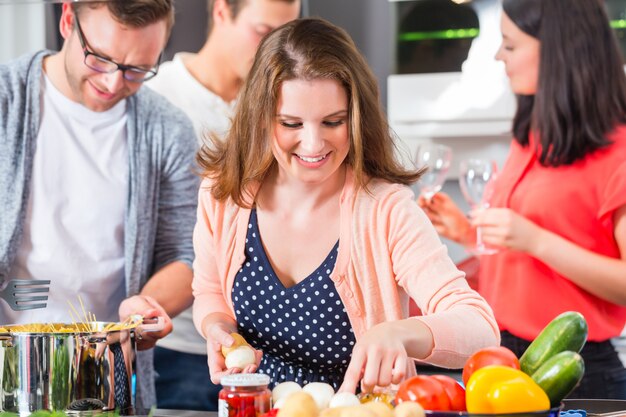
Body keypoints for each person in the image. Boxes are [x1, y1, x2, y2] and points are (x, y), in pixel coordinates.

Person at [191, 17, 499, 393]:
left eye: (333, 121)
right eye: (291, 123)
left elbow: (481, 328)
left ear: (355, 117)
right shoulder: (223, 193)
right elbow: (209, 291)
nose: (313, 144)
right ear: (259, 119)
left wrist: (401, 332)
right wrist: (218, 328)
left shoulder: (386, 210)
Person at [419, 0, 626, 399]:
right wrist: (468, 234)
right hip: (502, 359)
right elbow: (525, 261)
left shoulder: (618, 152)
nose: (499, 56)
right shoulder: (533, 135)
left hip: (574, 370)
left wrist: (535, 239)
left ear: (557, 49)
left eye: (510, 46)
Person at [0, 0, 198, 410]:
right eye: (100, 59)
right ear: (68, 18)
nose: (112, 82)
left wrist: (144, 306)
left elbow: (186, 254)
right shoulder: (6, 100)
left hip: (108, 385)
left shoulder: (168, 131)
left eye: (137, 69)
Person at [146, 0, 300, 410]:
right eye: (263, 31)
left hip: (273, 354)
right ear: (220, 11)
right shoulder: (156, 97)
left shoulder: (288, 105)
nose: (276, 50)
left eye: (285, 35)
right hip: (179, 347)